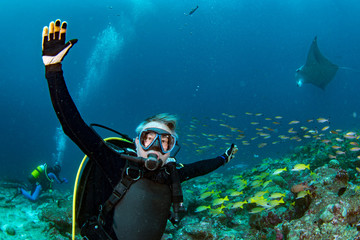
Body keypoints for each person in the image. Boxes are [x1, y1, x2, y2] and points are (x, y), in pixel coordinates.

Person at [41, 19, 238, 240]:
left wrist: (224, 158)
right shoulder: (115, 164)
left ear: (172, 150)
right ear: (137, 143)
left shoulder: (172, 175)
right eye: (149, 138)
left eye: (165, 141)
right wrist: (53, 69)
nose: (156, 146)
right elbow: (72, 125)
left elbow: (200, 167)